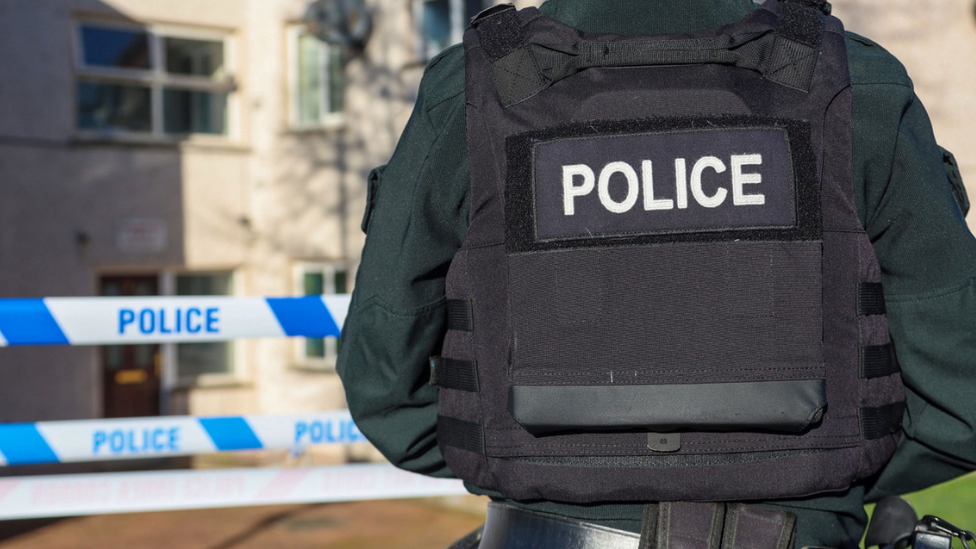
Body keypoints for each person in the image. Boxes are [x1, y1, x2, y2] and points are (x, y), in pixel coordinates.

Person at [336, 0, 976, 547]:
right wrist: (822, 477)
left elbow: (382, 379)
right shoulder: (856, 84)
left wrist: (520, 459)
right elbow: (959, 400)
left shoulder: (469, 92)